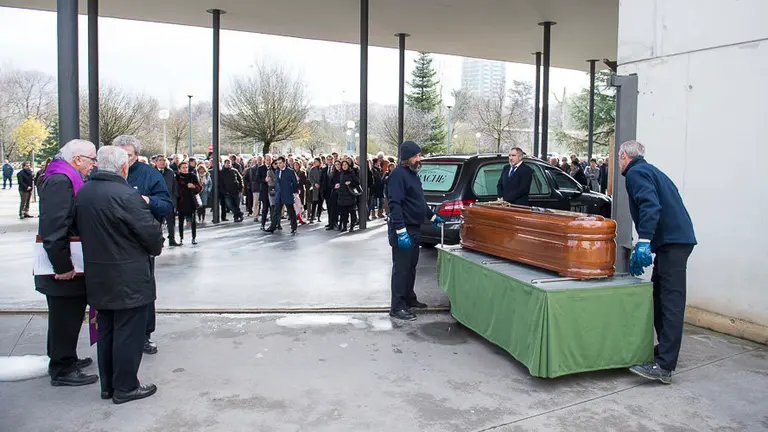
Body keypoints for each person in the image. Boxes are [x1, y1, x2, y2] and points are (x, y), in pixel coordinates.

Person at [75, 145, 163, 404]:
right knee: (128, 333)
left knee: (106, 330)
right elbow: (152, 236)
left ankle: (109, 385)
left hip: (98, 273)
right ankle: (125, 386)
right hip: (128, 276)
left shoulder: (85, 191)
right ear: (123, 167)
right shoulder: (126, 195)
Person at [620, 141, 697, 385]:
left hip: (673, 243)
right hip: (672, 241)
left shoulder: (636, 172)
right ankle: (665, 351)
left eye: (618, 158)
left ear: (623, 155)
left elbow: (650, 205)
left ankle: (664, 366)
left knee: (671, 301)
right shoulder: (650, 170)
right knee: (659, 297)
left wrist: (643, 241)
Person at [35, 139, 99, 387]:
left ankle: (66, 356)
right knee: (65, 315)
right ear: (77, 159)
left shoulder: (62, 176)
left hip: (67, 260)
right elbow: (54, 227)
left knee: (68, 315)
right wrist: (62, 266)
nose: (93, 165)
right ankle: (62, 368)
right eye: (91, 160)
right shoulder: (61, 181)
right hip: (63, 265)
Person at [114, 135, 172, 356]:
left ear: (136, 155)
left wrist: (148, 201)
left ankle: (144, 334)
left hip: (139, 245)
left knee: (143, 290)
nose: (122, 160)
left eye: (127, 155)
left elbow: (166, 204)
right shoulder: (104, 175)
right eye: (119, 155)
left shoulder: (149, 175)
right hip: (109, 243)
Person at [386, 141, 445, 321]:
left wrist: (432, 216)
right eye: (416, 156)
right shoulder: (397, 175)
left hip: (414, 228)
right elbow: (395, 204)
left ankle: (409, 298)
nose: (420, 159)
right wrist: (400, 230)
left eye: (420, 155)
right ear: (407, 158)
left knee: (411, 267)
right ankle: (397, 306)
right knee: (401, 269)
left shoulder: (413, 174)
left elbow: (419, 201)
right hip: (404, 229)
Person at [267, 156, 298, 235]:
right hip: (279, 194)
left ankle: (294, 227)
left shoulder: (290, 171)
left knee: (290, 211)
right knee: (276, 211)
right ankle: (272, 227)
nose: (279, 164)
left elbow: (294, 182)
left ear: (284, 163)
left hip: (287, 194)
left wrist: (295, 192)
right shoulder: (277, 170)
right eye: (278, 163)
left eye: (281, 163)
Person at [175, 161, 203, 245]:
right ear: (179, 169)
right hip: (181, 201)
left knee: (193, 221)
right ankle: (181, 238)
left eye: (186, 167)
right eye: (183, 167)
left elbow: (199, 187)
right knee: (180, 221)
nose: (185, 169)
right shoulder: (177, 177)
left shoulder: (192, 176)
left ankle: (193, 238)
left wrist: (194, 186)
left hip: (191, 201)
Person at [156, 155, 180, 247]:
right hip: (157, 201)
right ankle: (159, 240)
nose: (162, 162)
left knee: (171, 222)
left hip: (169, 201)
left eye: (164, 160)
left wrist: (174, 199)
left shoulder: (170, 172)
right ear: (156, 162)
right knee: (158, 222)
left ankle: (172, 239)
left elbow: (174, 187)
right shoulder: (152, 172)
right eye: (160, 160)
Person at [336, 160, 360, 232]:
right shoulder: (340, 173)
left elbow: (357, 182)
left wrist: (350, 182)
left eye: (345, 165)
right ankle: (344, 226)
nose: (344, 166)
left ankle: (352, 226)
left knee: (352, 212)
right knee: (343, 213)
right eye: (343, 165)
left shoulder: (351, 173)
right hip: (342, 195)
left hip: (350, 195)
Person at [262, 159, 279, 231]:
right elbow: (270, 182)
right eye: (275, 163)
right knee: (273, 206)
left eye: (277, 163)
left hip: (278, 190)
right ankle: (273, 224)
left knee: (278, 207)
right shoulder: (269, 171)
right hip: (272, 190)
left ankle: (278, 224)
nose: (276, 165)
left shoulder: (280, 171)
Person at [307, 157, 324, 223]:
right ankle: (312, 216)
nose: (315, 163)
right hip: (315, 189)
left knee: (320, 203)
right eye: (315, 161)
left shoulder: (322, 169)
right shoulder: (312, 169)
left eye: (317, 161)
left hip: (321, 188)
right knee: (314, 203)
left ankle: (319, 216)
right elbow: (310, 178)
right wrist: (314, 183)